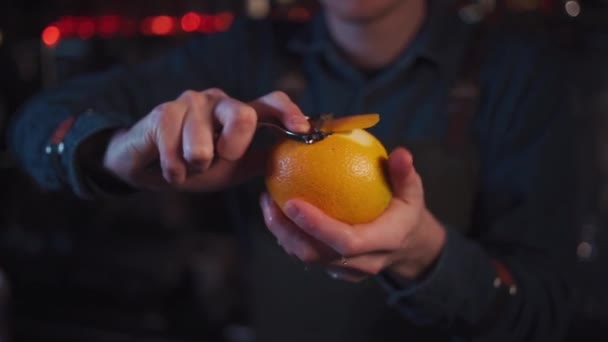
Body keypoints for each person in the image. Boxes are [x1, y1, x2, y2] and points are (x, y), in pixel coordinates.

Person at [6, 0, 578, 341]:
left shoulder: (521, 75)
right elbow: (35, 123)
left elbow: (553, 311)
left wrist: (424, 255)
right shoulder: (243, 54)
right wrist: (115, 152)